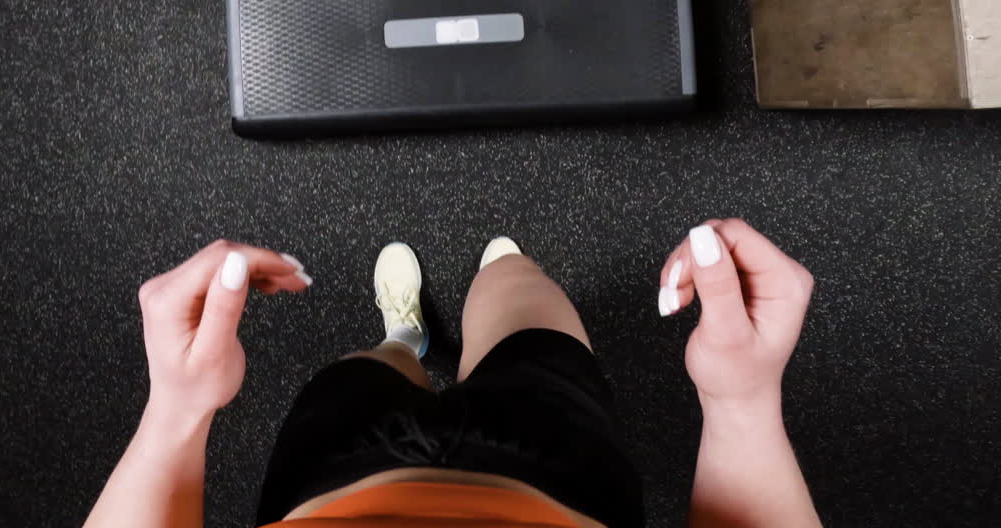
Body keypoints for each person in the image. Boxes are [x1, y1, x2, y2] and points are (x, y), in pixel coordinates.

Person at [84, 219, 822, 528]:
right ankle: (499, 274)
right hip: (560, 477)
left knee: (369, 369)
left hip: (330, 482)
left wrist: (178, 408)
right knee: (518, 299)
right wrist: (742, 401)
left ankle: (403, 336)